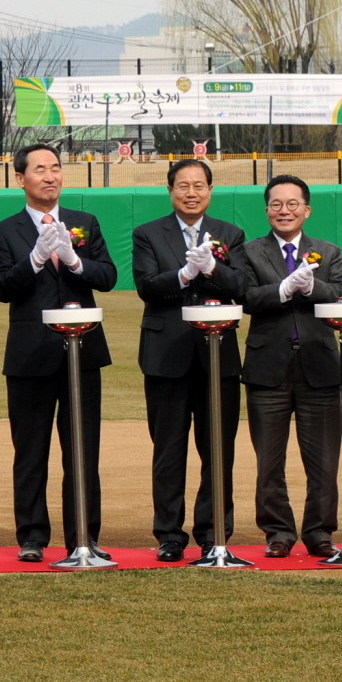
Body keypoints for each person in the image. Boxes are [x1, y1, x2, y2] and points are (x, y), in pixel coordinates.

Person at [0, 143, 118, 561]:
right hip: (30, 355)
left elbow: (108, 276)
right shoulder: (4, 231)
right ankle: (31, 536)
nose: (50, 176)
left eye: (56, 168)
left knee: (83, 449)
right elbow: (3, 288)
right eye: (40, 169)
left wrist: (76, 262)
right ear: (20, 178)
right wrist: (35, 259)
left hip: (83, 352)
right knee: (31, 451)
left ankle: (84, 535)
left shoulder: (84, 222)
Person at [132, 158, 249, 561]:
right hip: (166, 354)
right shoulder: (148, 233)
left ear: (210, 190)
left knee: (218, 449)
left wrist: (212, 268)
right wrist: (184, 274)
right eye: (183, 185)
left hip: (218, 355)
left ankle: (214, 532)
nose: (191, 193)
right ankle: (169, 534)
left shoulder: (230, 234)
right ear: (170, 191)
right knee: (168, 450)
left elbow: (241, 286)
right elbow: (146, 285)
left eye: (199, 185)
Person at [241, 174, 342, 558]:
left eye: (292, 204)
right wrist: (284, 289)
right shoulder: (250, 251)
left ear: (307, 210)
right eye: (276, 204)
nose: (284, 211)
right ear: (267, 209)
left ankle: (319, 532)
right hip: (266, 368)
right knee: (269, 461)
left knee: (323, 461)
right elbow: (246, 297)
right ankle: (278, 532)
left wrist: (311, 287)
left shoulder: (328, 252)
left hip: (319, 367)